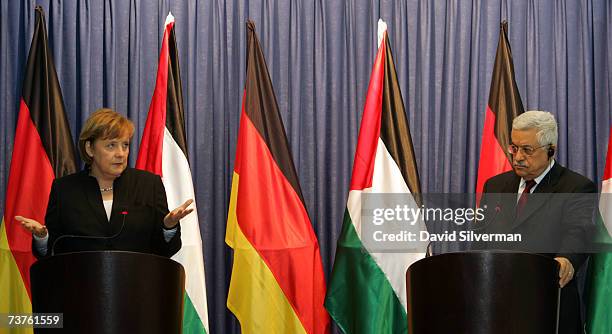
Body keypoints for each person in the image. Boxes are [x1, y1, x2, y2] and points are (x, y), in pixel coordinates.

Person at [17, 108, 193, 258]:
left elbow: (164, 251)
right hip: (82, 292)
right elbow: (50, 253)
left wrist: (168, 226)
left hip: (137, 291)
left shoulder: (148, 185)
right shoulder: (65, 189)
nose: (121, 153)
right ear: (90, 148)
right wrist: (42, 237)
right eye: (111, 145)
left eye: (125, 145)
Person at [479, 110, 596, 334]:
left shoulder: (576, 187)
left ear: (550, 150)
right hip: (498, 308)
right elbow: (481, 240)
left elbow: (578, 231)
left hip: (549, 306)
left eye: (527, 150)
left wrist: (567, 259)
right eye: (514, 147)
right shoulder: (494, 186)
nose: (518, 157)